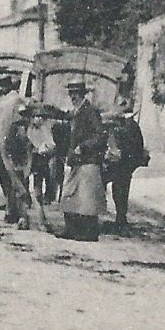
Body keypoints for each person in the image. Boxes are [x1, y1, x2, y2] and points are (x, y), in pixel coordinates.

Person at [59, 79, 108, 242]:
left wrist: (84, 146)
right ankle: (71, 229)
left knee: (87, 199)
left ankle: (89, 233)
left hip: (88, 160)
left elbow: (100, 135)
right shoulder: (75, 112)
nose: (73, 96)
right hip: (76, 160)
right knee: (69, 195)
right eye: (71, 93)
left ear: (82, 94)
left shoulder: (90, 111)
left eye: (76, 93)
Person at [104, 96, 150, 235]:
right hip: (114, 162)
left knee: (120, 193)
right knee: (119, 192)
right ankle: (120, 220)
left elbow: (137, 146)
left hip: (122, 163)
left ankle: (121, 220)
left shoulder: (130, 125)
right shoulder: (109, 124)